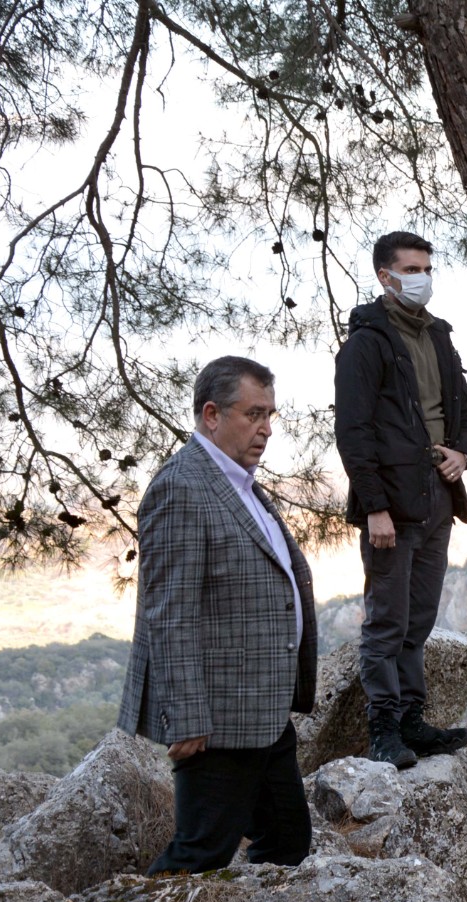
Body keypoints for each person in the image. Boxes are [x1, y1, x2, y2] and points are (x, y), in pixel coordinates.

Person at [118, 356, 317, 874]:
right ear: (211, 414)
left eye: (270, 415)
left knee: (287, 840)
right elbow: (169, 612)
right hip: (218, 719)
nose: (266, 429)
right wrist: (185, 717)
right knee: (199, 855)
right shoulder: (181, 487)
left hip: (264, 710)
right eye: (253, 414)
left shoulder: (240, 483)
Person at [335, 230, 467, 769]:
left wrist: (463, 453)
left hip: (439, 498)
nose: (423, 279)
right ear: (386, 276)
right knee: (386, 623)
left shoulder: (439, 336)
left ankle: (413, 721)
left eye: (427, 269)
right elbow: (353, 432)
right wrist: (374, 506)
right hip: (390, 508)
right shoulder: (365, 344)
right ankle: (383, 729)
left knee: (419, 620)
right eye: (412, 270)